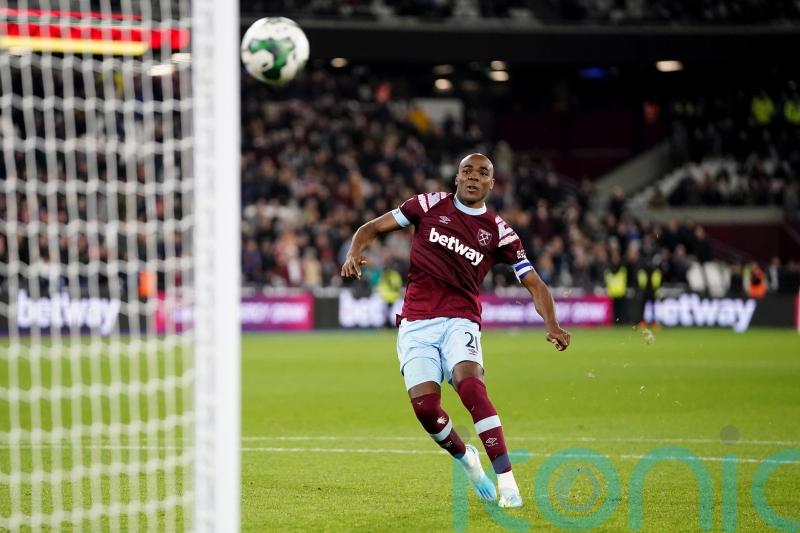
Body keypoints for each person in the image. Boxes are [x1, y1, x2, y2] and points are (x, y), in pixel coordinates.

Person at [341, 153, 571, 508]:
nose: (473, 177)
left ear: (492, 183)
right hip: (416, 323)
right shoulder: (427, 205)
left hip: (460, 319)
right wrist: (355, 252)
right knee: (426, 409)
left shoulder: (500, 231)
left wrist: (551, 323)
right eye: (467, 171)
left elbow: (535, 283)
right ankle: (467, 459)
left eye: (482, 173)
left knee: (471, 386)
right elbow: (370, 228)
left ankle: (508, 482)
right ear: (457, 178)